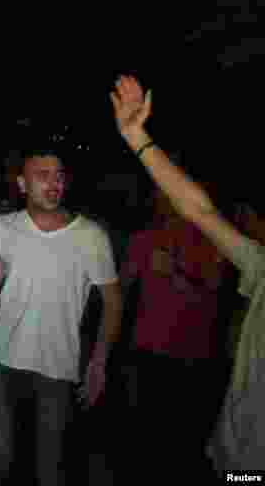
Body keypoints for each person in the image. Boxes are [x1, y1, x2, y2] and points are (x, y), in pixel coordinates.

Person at [110, 75, 263, 472]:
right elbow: (200, 209)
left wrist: (177, 274)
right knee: (147, 445)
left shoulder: (206, 246)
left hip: (191, 356)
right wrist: (135, 137)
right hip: (234, 452)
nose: (165, 198)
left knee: (175, 439)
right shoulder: (149, 236)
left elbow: (214, 291)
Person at [0, 143, 122, 486]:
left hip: (57, 365)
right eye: (42, 175)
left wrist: (99, 363)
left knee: (50, 467)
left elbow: (114, 301)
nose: (54, 183)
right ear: (22, 184)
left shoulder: (91, 236)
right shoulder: (2, 227)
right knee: (0, 455)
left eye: (59, 176)